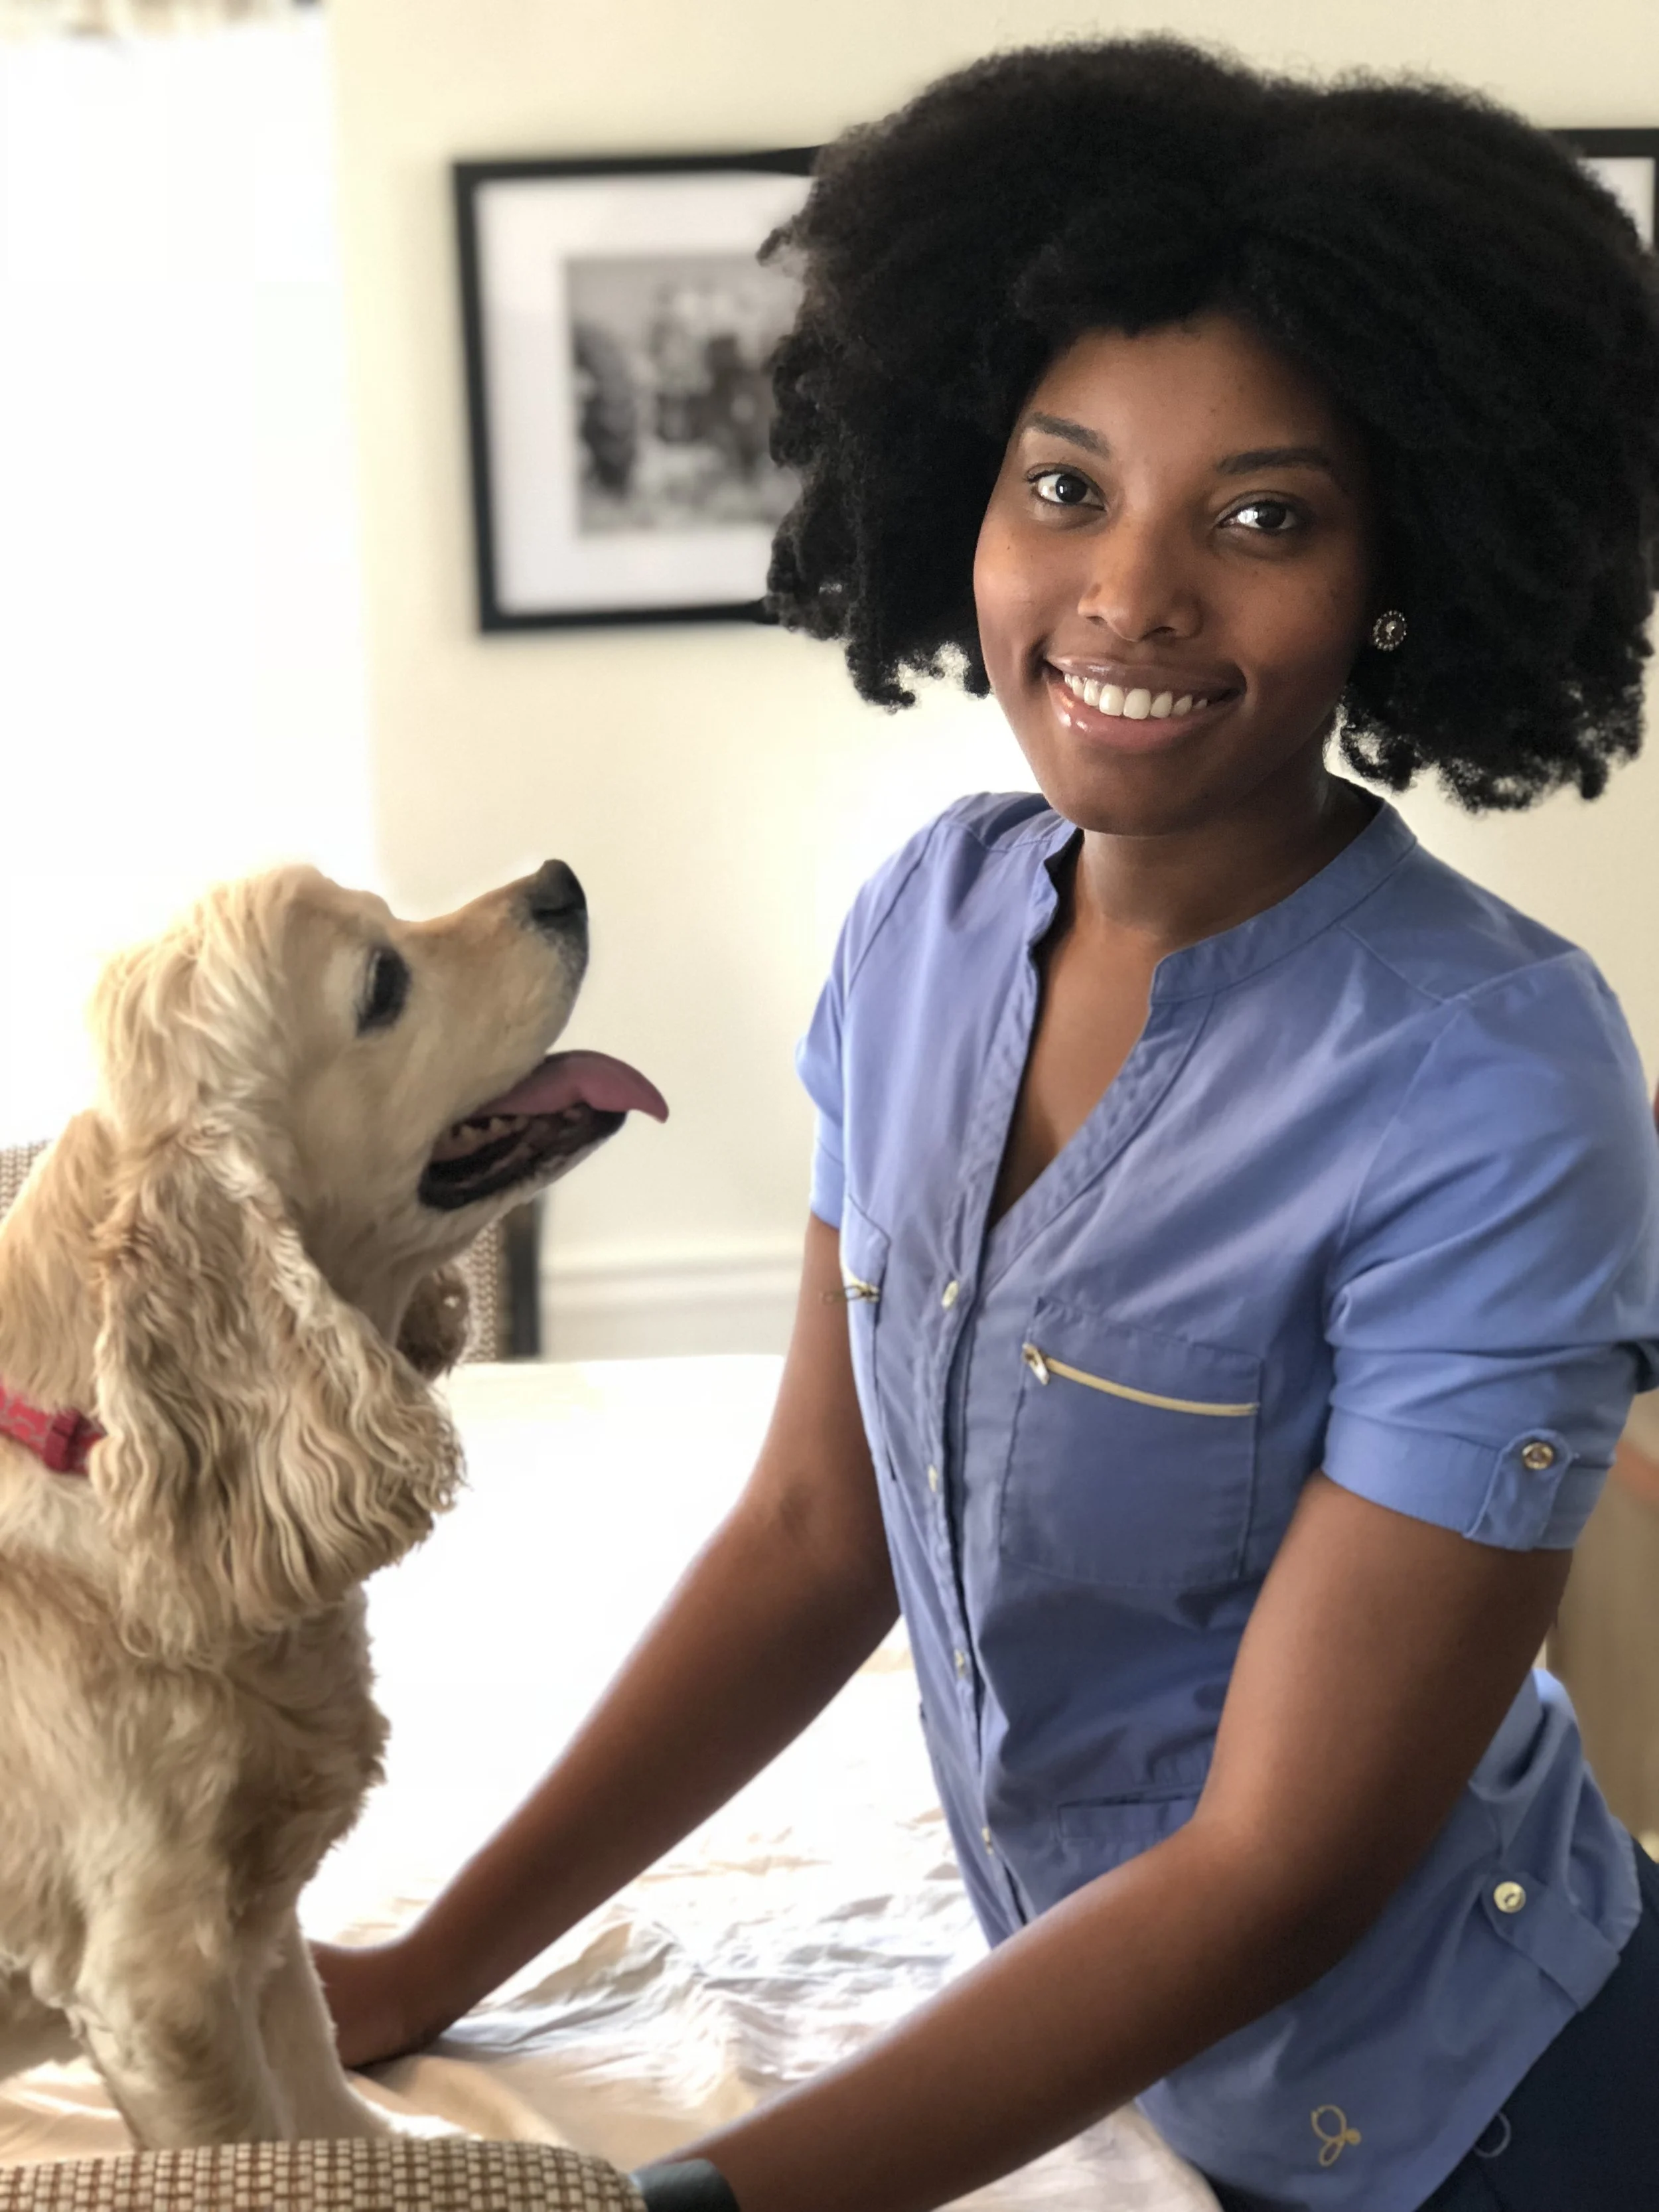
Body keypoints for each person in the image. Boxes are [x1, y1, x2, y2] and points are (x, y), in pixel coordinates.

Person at [317, 40, 1659, 2212]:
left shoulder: (1496, 1081)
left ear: (1404, 564)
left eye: (1262, 515)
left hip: (1482, 2116)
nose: (1128, 592)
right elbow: (807, 1542)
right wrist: (414, 1964)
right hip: (1112, 2059)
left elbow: (1273, 1869)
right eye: (1063, 486)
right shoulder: (928, 919)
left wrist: (701, 2206)